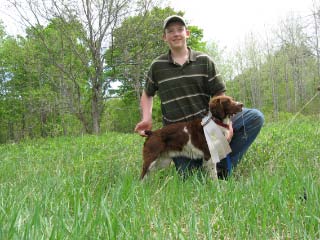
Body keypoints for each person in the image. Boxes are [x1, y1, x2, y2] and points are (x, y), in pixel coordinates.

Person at [134, 15, 264, 179]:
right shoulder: (157, 66)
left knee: (254, 117)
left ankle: (221, 167)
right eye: (170, 31)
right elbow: (147, 94)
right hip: (178, 135)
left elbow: (219, 94)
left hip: (209, 125)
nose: (176, 34)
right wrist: (147, 118)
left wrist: (226, 124)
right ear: (164, 37)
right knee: (190, 176)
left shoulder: (205, 61)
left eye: (180, 30)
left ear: (187, 33)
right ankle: (204, 163)